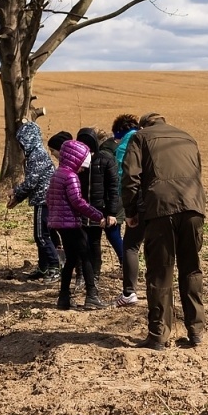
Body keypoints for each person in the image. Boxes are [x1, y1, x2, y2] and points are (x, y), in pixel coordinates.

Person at [122, 112, 206, 348]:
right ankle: (196, 331)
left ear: (143, 125)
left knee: (160, 271)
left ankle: (158, 335)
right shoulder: (187, 137)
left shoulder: (140, 138)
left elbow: (130, 177)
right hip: (194, 207)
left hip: (160, 209)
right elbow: (197, 173)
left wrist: (130, 211)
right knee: (191, 268)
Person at [45, 138, 113, 310]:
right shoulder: (71, 177)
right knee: (86, 257)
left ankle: (63, 298)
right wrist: (98, 216)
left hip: (59, 224)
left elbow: (49, 198)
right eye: (82, 164)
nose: (83, 169)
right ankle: (92, 296)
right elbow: (78, 202)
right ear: (75, 160)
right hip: (71, 225)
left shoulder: (57, 174)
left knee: (71, 259)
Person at [76, 127, 124, 298]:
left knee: (94, 243)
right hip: (81, 210)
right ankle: (81, 276)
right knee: (82, 244)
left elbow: (113, 188)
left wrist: (111, 213)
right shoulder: (77, 161)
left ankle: (94, 276)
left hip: (99, 211)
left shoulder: (106, 160)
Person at [7, 122, 59, 278]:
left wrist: (15, 191)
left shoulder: (37, 156)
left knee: (41, 236)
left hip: (43, 201)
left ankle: (54, 266)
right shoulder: (36, 154)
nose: (21, 146)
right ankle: (43, 268)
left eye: (22, 142)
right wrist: (18, 198)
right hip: (44, 200)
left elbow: (31, 182)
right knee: (43, 235)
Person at [110, 114, 142, 305]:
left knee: (130, 245)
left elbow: (124, 174)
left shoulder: (126, 144)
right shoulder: (148, 137)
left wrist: (127, 207)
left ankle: (129, 292)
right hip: (161, 201)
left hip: (136, 200)